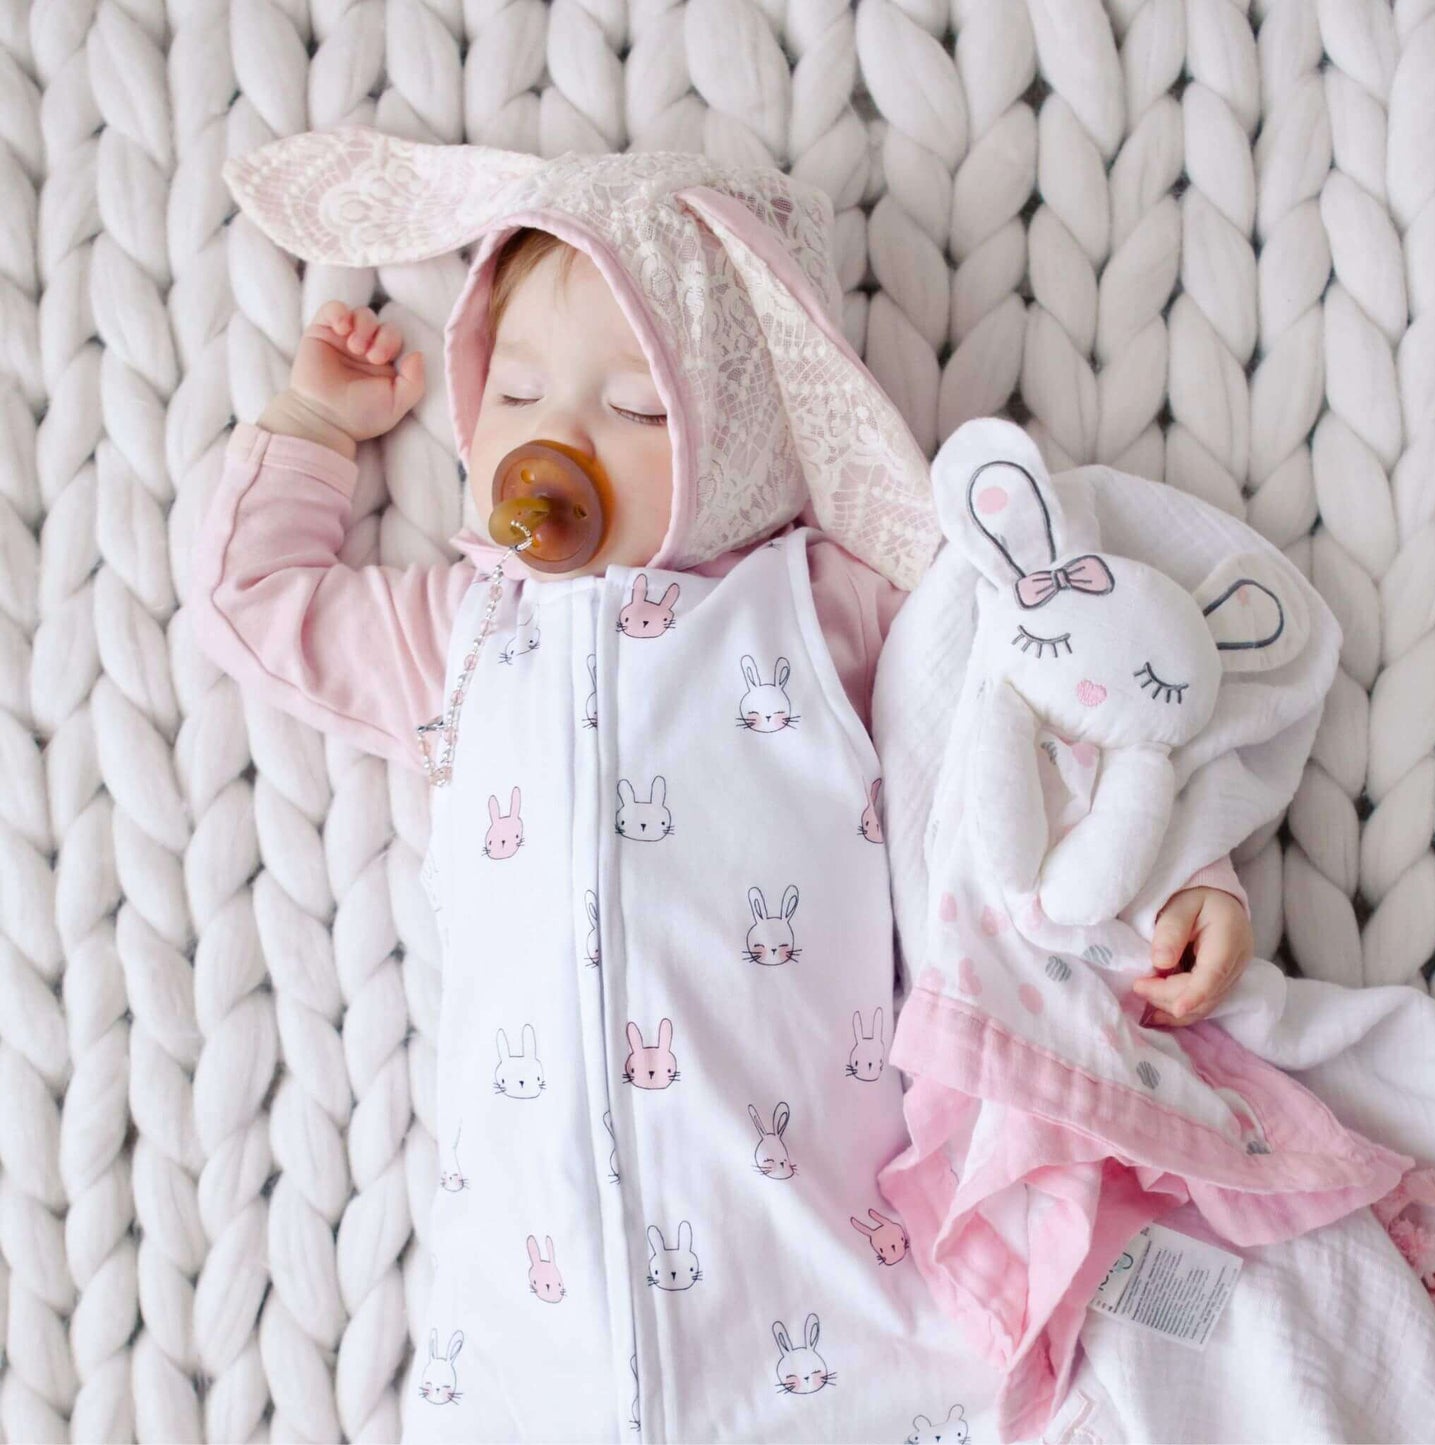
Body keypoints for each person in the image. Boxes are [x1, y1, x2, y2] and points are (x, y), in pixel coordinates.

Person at [190, 128, 1254, 1442]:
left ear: (741, 425)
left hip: (828, 1301)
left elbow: (1035, 716)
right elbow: (257, 602)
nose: (554, 440)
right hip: (529, 1353)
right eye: (514, 392)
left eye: (634, 410)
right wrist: (311, 427)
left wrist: (1170, 874)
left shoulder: (825, 613)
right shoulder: (460, 637)